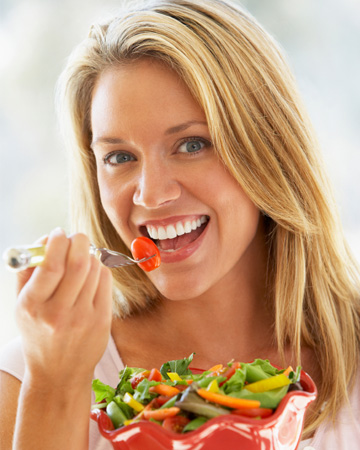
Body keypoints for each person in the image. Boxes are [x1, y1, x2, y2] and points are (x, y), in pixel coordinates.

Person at [1, 0, 359, 449]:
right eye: (119, 157)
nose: (150, 195)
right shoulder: (31, 378)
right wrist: (55, 386)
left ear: (269, 149)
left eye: (192, 144)